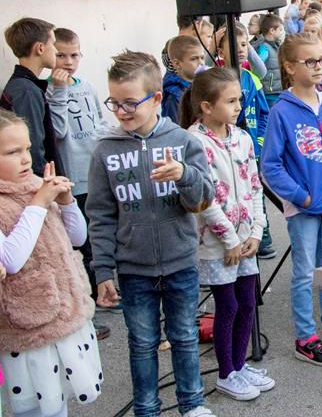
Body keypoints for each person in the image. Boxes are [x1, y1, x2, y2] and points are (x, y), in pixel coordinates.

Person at [87, 51, 216, 417]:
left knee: (185, 336)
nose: (121, 111)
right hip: (134, 268)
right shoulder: (105, 151)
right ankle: (146, 408)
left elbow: (203, 199)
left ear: (156, 98)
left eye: (130, 102)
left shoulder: (184, 142)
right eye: (114, 102)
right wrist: (103, 271)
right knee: (142, 343)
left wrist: (184, 175)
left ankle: (192, 403)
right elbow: (100, 214)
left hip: (180, 263)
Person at [179, 68, 274, 401]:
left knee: (248, 302)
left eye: (239, 100)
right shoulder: (194, 141)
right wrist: (229, 239)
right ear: (206, 106)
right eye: (231, 101)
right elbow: (204, 198)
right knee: (228, 305)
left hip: (245, 239)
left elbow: (254, 186)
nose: (238, 107)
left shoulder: (242, 137)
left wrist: (257, 231)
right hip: (217, 243)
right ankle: (226, 373)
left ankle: (239, 364)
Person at [261, 33, 322, 365]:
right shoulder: (281, 112)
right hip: (303, 207)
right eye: (311, 61)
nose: (319, 67)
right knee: (304, 272)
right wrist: (300, 196)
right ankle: (305, 337)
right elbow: (271, 165)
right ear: (289, 67)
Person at [0, 109, 102, 417]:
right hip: (27, 325)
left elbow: (77, 237)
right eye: (12, 152)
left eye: (27, 148)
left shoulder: (36, 185)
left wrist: (67, 203)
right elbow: (11, 259)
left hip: (64, 315)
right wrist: (39, 203)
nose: (25, 159)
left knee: (57, 401)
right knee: (34, 405)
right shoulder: (27, 198)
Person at [46, 28, 115, 334]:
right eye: (61, 55)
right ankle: (91, 297)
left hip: (95, 171)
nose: (68, 61)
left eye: (74, 55)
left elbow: (98, 123)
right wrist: (59, 92)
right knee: (82, 240)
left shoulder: (86, 86)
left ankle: (105, 286)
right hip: (74, 176)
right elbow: (59, 132)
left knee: (101, 232)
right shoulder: (49, 90)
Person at [215, 25, 274, 259]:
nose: (240, 49)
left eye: (244, 44)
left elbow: (263, 113)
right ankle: (233, 236)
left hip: (251, 149)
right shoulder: (215, 80)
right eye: (234, 45)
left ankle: (263, 237)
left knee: (255, 191)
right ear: (220, 50)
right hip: (225, 149)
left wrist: (259, 140)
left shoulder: (252, 79)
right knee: (229, 192)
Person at [1, 18, 62, 176]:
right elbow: (33, 148)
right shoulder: (26, 91)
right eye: (53, 44)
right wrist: (43, 184)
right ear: (40, 48)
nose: (56, 51)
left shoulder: (25, 87)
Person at [161, 36, 205, 121]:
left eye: (202, 58)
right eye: (194, 59)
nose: (201, 63)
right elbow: (175, 127)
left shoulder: (202, 85)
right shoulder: (173, 97)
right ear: (177, 64)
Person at [251, 13, 286, 107]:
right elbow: (258, 64)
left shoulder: (275, 46)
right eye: (280, 29)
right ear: (272, 31)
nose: (282, 32)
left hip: (276, 91)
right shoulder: (264, 48)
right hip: (269, 92)